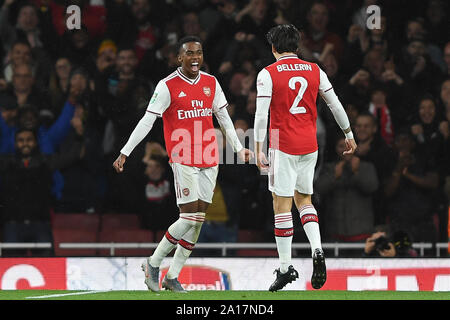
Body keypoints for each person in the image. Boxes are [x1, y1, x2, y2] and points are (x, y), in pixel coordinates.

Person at [112, 35, 253, 292]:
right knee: (188, 217)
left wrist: (239, 148)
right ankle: (153, 263)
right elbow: (147, 120)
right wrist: (126, 152)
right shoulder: (167, 86)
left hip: (210, 158)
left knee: (197, 221)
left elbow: (223, 118)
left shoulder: (211, 83)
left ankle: (172, 276)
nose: (195, 57)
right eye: (189, 53)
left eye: (198, 53)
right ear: (179, 58)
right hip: (183, 157)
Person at [253, 24, 357, 291]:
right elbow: (335, 104)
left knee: (281, 203)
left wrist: (258, 147)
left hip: (283, 145)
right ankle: (318, 249)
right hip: (310, 145)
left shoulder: (268, 73)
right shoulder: (315, 70)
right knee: (304, 199)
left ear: (274, 48)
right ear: (297, 47)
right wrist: (348, 132)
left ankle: (286, 268)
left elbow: (262, 114)